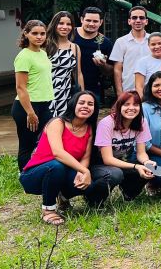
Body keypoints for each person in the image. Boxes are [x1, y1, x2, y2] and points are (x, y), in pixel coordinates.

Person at [19, 91, 102, 225]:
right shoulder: (58, 122)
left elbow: (86, 157)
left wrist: (82, 172)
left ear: (94, 109)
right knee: (56, 166)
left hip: (62, 172)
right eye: (81, 103)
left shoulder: (89, 128)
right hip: (35, 174)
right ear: (73, 104)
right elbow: (58, 153)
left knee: (87, 185)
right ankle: (48, 209)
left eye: (90, 104)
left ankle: (62, 197)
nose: (86, 106)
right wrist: (85, 171)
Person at [90, 91, 156, 202]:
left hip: (124, 160)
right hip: (99, 164)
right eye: (126, 104)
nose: (131, 108)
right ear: (119, 106)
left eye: (135, 104)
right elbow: (108, 159)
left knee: (155, 169)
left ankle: (129, 193)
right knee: (116, 174)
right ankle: (94, 200)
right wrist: (136, 167)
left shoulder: (141, 121)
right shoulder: (106, 123)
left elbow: (141, 153)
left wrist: (146, 163)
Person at [12, 20, 54, 171]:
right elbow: (20, 87)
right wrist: (30, 112)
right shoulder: (24, 56)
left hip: (44, 105)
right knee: (26, 145)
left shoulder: (42, 53)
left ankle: (40, 171)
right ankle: (25, 177)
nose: (39, 37)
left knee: (49, 140)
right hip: (28, 107)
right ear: (26, 34)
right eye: (34, 33)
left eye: (42, 33)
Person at [72, 6, 114, 107]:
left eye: (95, 21)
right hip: (66, 87)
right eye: (88, 20)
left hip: (93, 89)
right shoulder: (70, 35)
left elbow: (110, 71)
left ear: (101, 22)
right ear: (81, 19)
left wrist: (102, 65)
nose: (91, 24)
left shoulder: (104, 42)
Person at [45, 11, 84, 118]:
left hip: (65, 95)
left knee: (62, 125)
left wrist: (82, 96)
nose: (65, 27)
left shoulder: (75, 47)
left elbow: (78, 73)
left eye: (68, 24)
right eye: (61, 23)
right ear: (54, 25)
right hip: (45, 93)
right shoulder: (45, 45)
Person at [110, 6, 150, 95]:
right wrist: (119, 93)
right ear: (129, 21)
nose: (138, 20)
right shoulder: (120, 42)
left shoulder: (154, 40)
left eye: (142, 18)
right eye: (134, 17)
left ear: (146, 21)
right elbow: (117, 70)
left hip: (152, 90)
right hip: (129, 90)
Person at [134, 32, 161, 99]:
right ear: (148, 45)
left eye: (160, 43)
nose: (157, 47)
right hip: (150, 100)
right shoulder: (142, 62)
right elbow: (139, 86)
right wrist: (143, 103)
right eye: (153, 44)